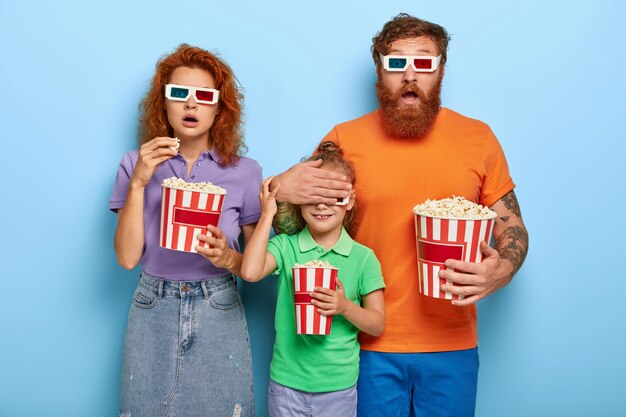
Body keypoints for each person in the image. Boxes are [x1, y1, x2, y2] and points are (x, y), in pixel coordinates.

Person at [272, 13, 529, 417]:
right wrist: (278, 189)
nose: (410, 76)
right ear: (380, 69)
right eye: (396, 63)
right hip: (366, 344)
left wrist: (504, 268)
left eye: (424, 63)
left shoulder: (478, 139)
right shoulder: (342, 140)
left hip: (453, 344)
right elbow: (295, 227)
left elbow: (511, 224)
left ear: (441, 70)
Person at [110, 44, 261, 417]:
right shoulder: (135, 163)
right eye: (179, 94)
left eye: (204, 96)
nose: (190, 105)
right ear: (163, 103)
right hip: (152, 304)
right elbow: (128, 258)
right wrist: (139, 183)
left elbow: (258, 266)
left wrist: (228, 256)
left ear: (219, 107)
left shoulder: (245, 171)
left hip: (218, 304)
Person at [239, 142, 386, 417]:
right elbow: (249, 271)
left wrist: (344, 307)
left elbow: (377, 324)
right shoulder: (286, 247)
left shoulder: (363, 258)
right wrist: (268, 212)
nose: (321, 204)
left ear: (350, 200)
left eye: (333, 196)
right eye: (313, 194)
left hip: (338, 388)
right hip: (285, 385)